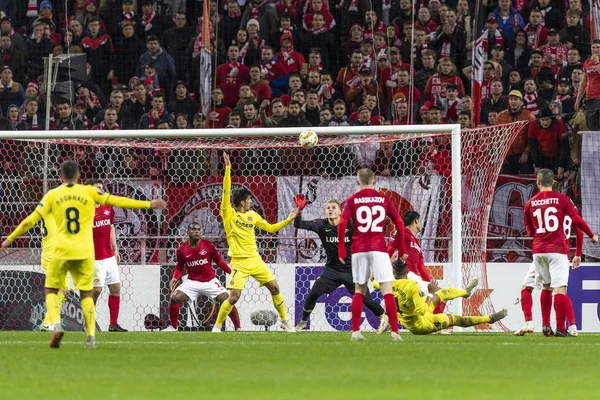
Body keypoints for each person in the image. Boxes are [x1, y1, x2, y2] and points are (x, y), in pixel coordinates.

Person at [1, 161, 166, 349]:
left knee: (67, 291)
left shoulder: (51, 197)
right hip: (67, 252)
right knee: (71, 290)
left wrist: (9, 239)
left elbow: (28, 221)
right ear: (78, 176)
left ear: (61, 176)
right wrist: (148, 204)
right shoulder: (81, 197)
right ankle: (53, 324)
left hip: (60, 253)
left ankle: (53, 323)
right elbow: (117, 200)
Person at [212, 153, 298, 333]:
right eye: (249, 199)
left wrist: (289, 219)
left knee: (274, 287)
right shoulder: (229, 215)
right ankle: (217, 326)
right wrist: (227, 170)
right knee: (234, 297)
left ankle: (284, 321)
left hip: (255, 260)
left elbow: (272, 229)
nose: (252, 201)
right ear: (242, 202)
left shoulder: (253, 216)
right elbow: (226, 191)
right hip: (239, 262)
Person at [292, 196, 388, 331]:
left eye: (333, 208)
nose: (330, 210)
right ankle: (302, 322)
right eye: (328, 208)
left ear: (340, 212)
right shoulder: (321, 225)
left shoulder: (350, 224)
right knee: (313, 293)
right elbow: (298, 224)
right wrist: (300, 211)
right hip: (332, 270)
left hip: (352, 270)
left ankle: (384, 317)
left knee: (367, 300)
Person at [523, 169, 598, 337]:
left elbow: (529, 232)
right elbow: (577, 222)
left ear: (538, 182)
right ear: (553, 182)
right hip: (557, 249)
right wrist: (592, 235)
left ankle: (544, 325)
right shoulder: (563, 201)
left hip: (538, 251)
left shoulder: (530, 203)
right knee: (560, 289)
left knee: (546, 287)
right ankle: (562, 328)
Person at [337, 168, 406, 342]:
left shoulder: (353, 200)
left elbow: (342, 223)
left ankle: (355, 332)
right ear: (374, 180)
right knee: (387, 291)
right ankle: (395, 333)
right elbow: (398, 221)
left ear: (357, 181)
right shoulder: (383, 199)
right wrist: (402, 248)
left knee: (359, 290)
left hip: (359, 249)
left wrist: (341, 249)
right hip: (379, 249)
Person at [373, 259, 507, 335]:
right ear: (408, 272)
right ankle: (489, 319)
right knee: (456, 318)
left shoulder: (387, 283)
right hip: (422, 325)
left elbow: (375, 284)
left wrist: (374, 278)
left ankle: (465, 292)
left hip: (416, 317)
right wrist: (430, 294)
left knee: (442, 293)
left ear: (393, 273)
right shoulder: (412, 285)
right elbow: (422, 311)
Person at [165, 222, 241, 332]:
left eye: (198, 229)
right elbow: (179, 267)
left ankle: (238, 327)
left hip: (210, 281)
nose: (196, 231)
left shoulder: (208, 245)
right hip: (192, 282)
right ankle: (173, 327)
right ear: (188, 232)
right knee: (174, 298)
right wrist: (174, 278)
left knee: (227, 299)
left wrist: (232, 273)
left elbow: (219, 262)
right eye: (193, 229)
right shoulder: (181, 249)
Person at [87, 179, 127, 332]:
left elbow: (111, 229)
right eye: (97, 188)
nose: (101, 190)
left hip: (109, 256)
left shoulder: (107, 207)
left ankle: (113, 325)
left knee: (115, 288)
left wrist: (115, 250)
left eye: (102, 188)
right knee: (96, 291)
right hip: (94, 258)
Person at [575, 40, 600, 130]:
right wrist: (578, 100)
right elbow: (583, 82)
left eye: (598, 47)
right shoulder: (587, 62)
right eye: (593, 47)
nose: (595, 49)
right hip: (590, 100)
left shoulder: (595, 61)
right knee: (592, 127)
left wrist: (596, 62)